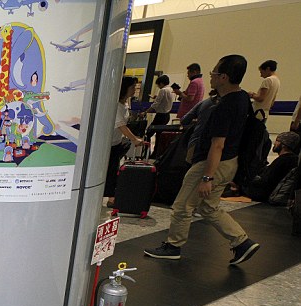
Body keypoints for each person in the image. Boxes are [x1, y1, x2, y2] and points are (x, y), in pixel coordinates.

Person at [145, 55, 261, 265]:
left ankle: (173, 246)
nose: (211, 76)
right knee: (208, 207)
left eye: (214, 72)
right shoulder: (242, 98)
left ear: (224, 77)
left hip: (211, 164)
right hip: (229, 162)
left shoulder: (224, 107)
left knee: (182, 205)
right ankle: (242, 242)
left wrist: (207, 177)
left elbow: (217, 145)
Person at [105, 77, 148, 207]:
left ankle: (112, 197)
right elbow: (120, 125)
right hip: (107, 144)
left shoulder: (125, 103)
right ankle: (110, 197)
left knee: (113, 170)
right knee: (109, 170)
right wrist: (134, 139)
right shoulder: (115, 105)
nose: (134, 89)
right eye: (132, 87)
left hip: (116, 142)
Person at [243, 131, 299, 202]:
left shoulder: (282, 161)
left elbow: (265, 181)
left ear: (283, 145)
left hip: (265, 194)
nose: (275, 143)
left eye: (277, 141)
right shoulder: (294, 159)